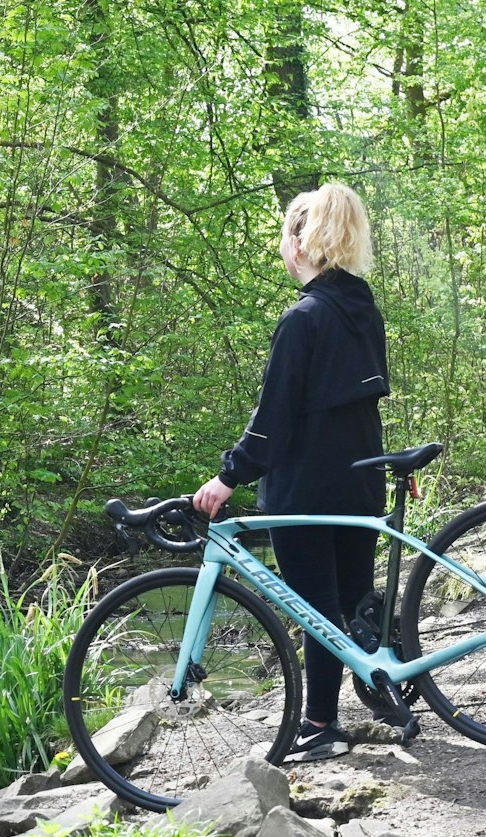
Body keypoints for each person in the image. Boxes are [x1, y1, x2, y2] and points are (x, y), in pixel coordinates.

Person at [191, 182, 389, 764]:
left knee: (313, 609)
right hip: (359, 478)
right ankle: (384, 690)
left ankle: (321, 725)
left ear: (301, 242)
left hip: (304, 488)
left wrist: (228, 478)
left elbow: (273, 418)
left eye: (285, 234)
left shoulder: (302, 319)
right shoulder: (363, 310)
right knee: (355, 597)